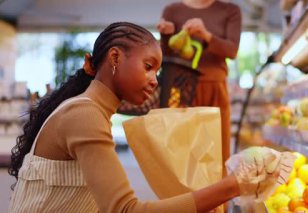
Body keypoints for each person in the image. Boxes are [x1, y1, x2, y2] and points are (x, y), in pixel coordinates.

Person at [8, 22, 287, 213]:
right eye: (148, 66)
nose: (155, 81)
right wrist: (233, 185)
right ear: (115, 58)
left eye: (157, 71)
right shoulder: (85, 114)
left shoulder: (92, 111)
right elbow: (126, 209)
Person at [157, 0, 242, 173]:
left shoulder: (230, 11)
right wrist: (166, 35)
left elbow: (232, 51)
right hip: (180, 90)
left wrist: (206, 35)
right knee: (182, 151)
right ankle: (185, 200)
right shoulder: (172, 10)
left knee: (218, 152)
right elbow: (165, 54)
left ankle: (219, 199)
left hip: (215, 89)